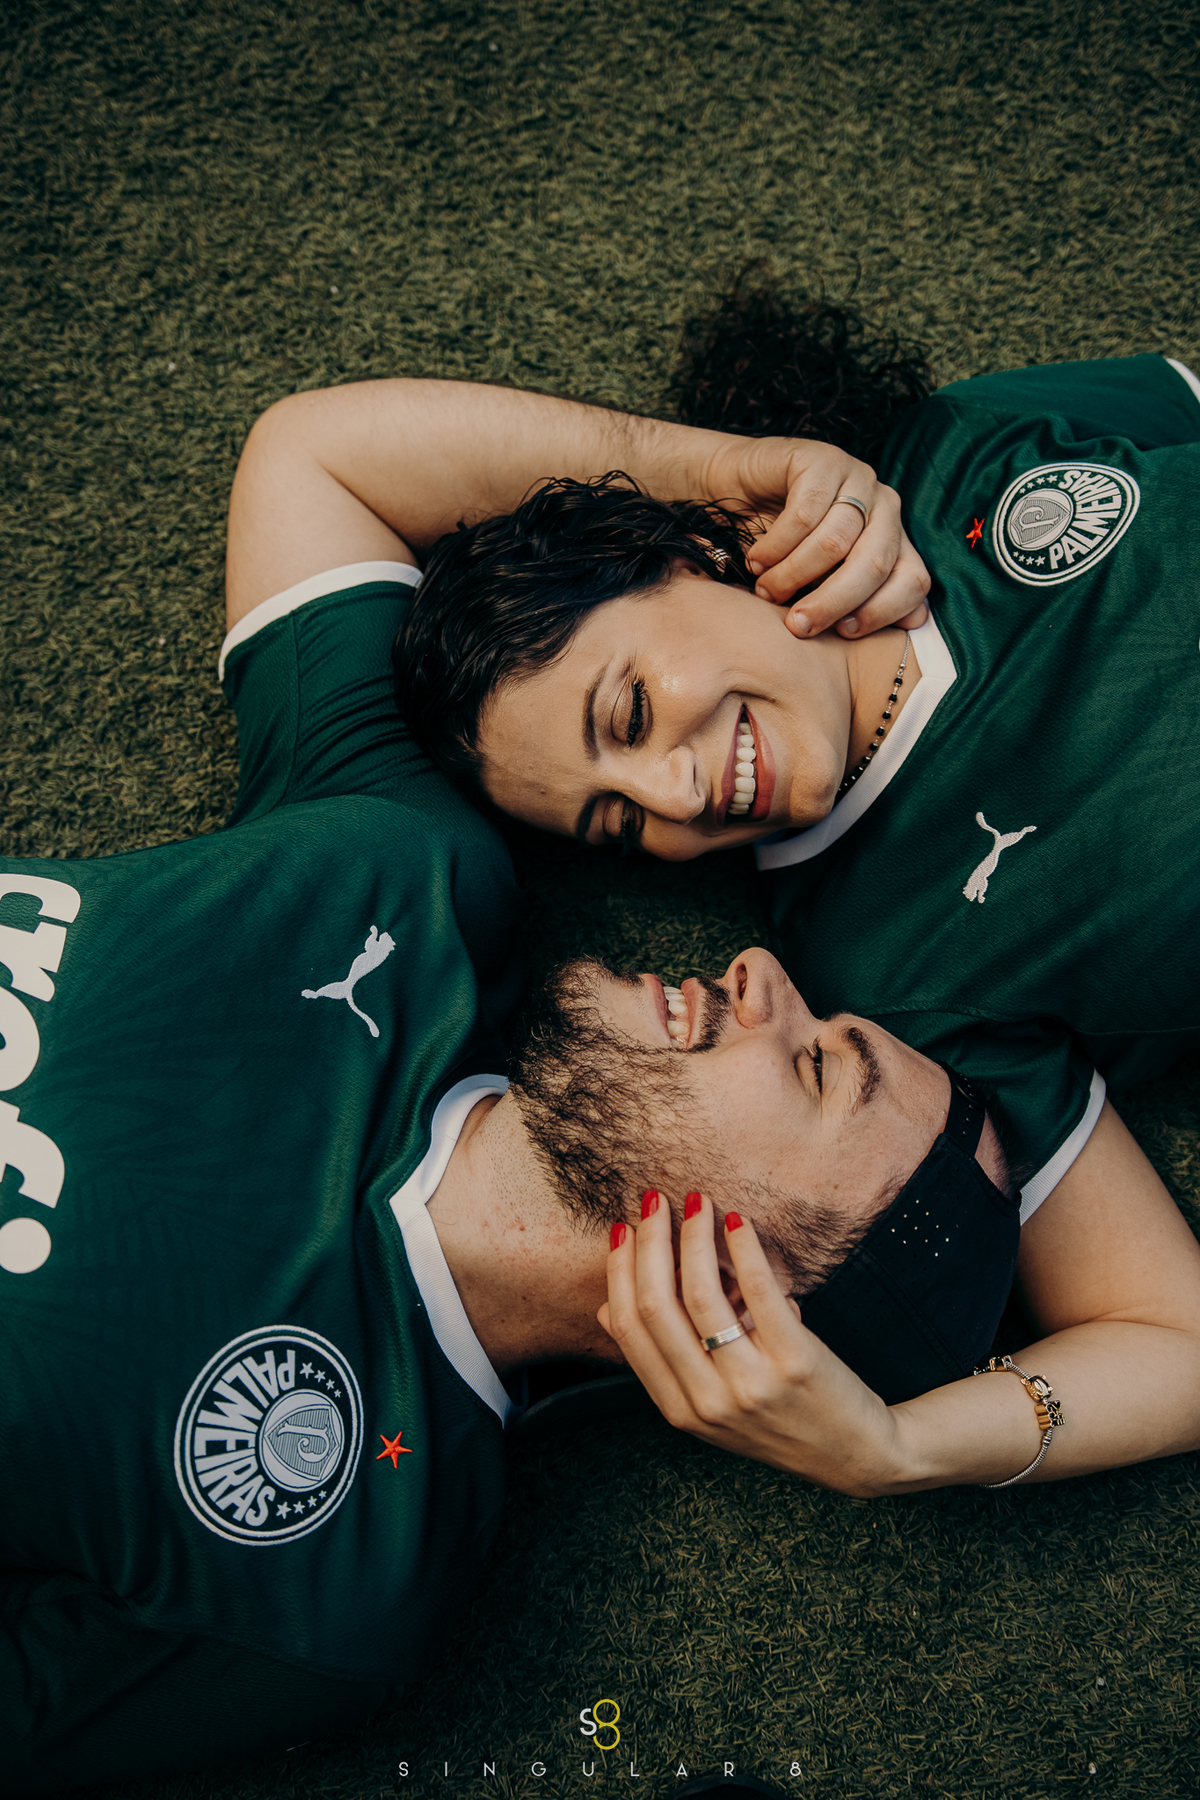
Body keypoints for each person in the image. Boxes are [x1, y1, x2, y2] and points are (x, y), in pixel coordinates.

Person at [0, 384, 955, 1793]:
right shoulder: (420, 876)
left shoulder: (342, 1572)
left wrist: (905, 1449)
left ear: (749, 1305)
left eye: (818, 1064)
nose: (765, 978)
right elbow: (316, 461)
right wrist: (743, 475)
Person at [383, 292, 1200, 1489]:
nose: (674, 793)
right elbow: (1174, 1341)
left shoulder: (941, 453)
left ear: (675, 560)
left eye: (631, 711)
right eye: (617, 824)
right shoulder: (888, 979)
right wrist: (899, 1446)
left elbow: (330, 445)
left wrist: (733, 472)